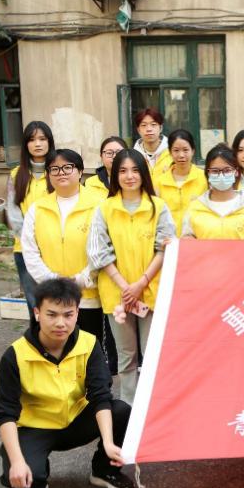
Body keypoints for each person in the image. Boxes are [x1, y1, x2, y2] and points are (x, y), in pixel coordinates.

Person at [0, 278, 132, 488]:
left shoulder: (88, 343)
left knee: (122, 410)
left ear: (77, 313)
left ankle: (104, 471)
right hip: (36, 427)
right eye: (52, 314)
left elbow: (100, 396)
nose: (60, 323)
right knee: (28, 482)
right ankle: (33, 463)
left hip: (76, 421)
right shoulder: (15, 355)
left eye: (68, 315)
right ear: (37, 313)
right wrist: (18, 462)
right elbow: (5, 413)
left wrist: (108, 442)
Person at [87, 149, 176, 404]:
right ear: (115, 175)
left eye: (135, 170)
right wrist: (126, 287)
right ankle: (128, 409)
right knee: (126, 357)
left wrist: (141, 283)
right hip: (118, 295)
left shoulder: (158, 207)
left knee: (153, 354)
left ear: (144, 173)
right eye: (123, 171)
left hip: (151, 292)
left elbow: (164, 248)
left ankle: (153, 408)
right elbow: (99, 252)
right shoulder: (104, 209)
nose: (129, 176)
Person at [21, 148, 108, 350]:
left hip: (88, 295)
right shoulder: (38, 208)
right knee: (55, 351)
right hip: (51, 296)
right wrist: (52, 280)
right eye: (55, 169)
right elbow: (30, 251)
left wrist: (81, 279)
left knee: (89, 351)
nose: (61, 173)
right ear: (48, 174)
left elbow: (105, 248)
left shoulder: (99, 205)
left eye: (67, 167)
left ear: (80, 171)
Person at [6, 121, 55, 311]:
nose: (38, 144)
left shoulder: (58, 172)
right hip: (25, 250)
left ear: (49, 142)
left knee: (57, 301)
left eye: (42, 139)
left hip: (56, 247)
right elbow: (14, 214)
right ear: (26, 144)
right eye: (32, 139)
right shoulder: (16, 175)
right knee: (35, 305)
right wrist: (31, 242)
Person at [181, 145, 244, 240]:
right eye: (215, 171)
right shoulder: (195, 208)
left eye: (227, 170)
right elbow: (187, 240)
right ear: (208, 173)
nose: (221, 175)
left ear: (236, 171)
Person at [154, 129, 207, 223]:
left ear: (193, 151)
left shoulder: (204, 178)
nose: (181, 155)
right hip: (169, 232)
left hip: (196, 231)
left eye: (185, 150)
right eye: (176, 150)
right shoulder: (159, 182)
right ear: (170, 152)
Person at [132, 108, 171, 177]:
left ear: (161, 128)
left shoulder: (172, 152)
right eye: (144, 125)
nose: (149, 129)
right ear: (138, 130)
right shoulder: (133, 156)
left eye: (153, 124)